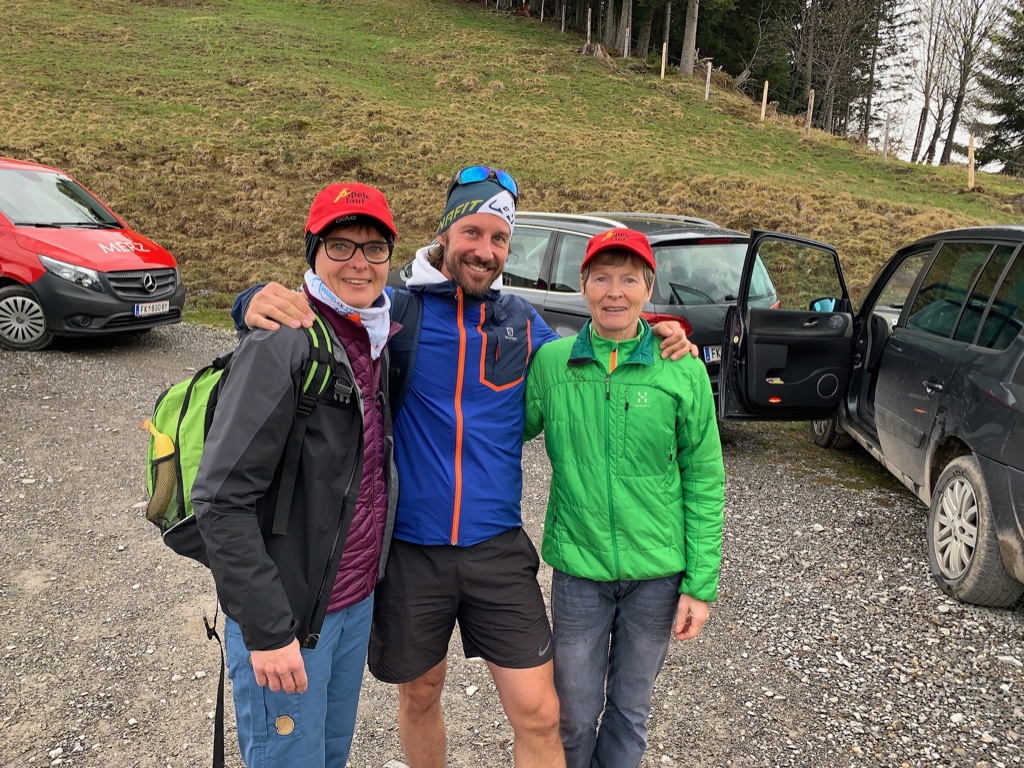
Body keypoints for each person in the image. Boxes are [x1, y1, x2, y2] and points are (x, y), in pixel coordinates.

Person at [233, 166, 695, 768]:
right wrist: (249, 300)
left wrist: (659, 335)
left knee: (540, 711)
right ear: (445, 235)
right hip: (411, 551)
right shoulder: (394, 310)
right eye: (472, 233)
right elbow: (325, 306)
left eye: (499, 239)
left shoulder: (521, 321)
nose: (484, 249)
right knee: (422, 694)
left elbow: (593, 351)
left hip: (496, 549)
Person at [192, 182, 400, 768]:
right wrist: (266, 630)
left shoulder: (375, 334)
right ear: (313, 252)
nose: (359, 262)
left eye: (374, 247)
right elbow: (220, 499)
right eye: (340, 245)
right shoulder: (282, 343)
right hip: (288, 616)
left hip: (350, 602)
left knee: (329, 755)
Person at [523, 228, 725, 768]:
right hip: (579, 573)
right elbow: (501, 428)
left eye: (629, 279)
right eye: (602, 278)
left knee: (630, 712)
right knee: (573, 714)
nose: (615, 291)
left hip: (656, 577)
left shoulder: (681, 368)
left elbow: (705, 478)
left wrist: (699, 584)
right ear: (583, 284)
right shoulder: (553, 364)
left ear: (648, 288)